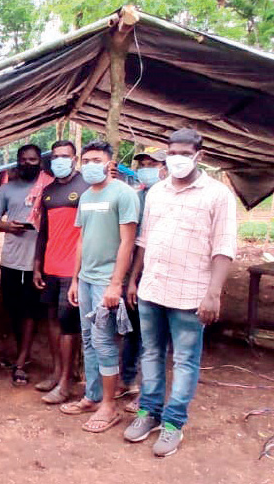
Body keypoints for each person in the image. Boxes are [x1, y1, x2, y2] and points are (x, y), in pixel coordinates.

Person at [123, 129, 236, 457]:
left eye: (185, 153)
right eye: (172, 152)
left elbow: (224, 245)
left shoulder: (217, 194)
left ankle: (173, 424)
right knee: (151, 353)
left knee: (185, 359)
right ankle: (149, 412)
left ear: (199, 155)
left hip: (191, 294)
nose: (177, 159)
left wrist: (213, 292)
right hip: (153, 287)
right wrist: (134, 279)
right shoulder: (156, 191)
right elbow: (144, 240)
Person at [61, 140, 139, 434]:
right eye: (87, 160)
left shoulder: (124, 194)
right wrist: (75, 278)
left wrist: (116, 283)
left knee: (105, 342)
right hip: (86, 279)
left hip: (108, 281)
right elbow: (81, 239)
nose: (91, 164)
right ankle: (92, 397)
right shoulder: (85, 196)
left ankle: (109, 405)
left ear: (109, 163)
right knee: (89, 339)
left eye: (97, 160)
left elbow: (128, 242)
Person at [33, 140, 90, 404]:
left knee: (69, 326)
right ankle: (56, 373)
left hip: (73, 270)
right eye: (55, 156)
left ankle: (67, 381)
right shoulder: (48, 190)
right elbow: (43, 233)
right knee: (52, 321)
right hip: (50, 267)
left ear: (75, 159)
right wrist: (37, 266)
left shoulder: (86, 188)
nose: (59, 160)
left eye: (65, 156)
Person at [0, 144, 42, 386]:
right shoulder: (7, 189)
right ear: (17, 161)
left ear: (40, 161)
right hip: (11, 259)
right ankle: (23, 353)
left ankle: (21, 361)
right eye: (23, 159)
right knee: (13, 308)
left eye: (32, 159)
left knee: (31, 310)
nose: (27, 163)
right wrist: (9, 227)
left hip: (38, 260)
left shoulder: (47, 187)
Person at [118, 150, 167, 409]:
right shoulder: (136, 197)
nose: (146, 169)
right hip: (136, 273)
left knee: (154, 338)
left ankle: (147, 391)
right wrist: (129, 278)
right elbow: (133, 241)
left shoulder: (167, 199)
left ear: (165, 168)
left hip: (160, 274)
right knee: (133, 332)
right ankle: (127, 380)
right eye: (143, 165)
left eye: (152, 164)